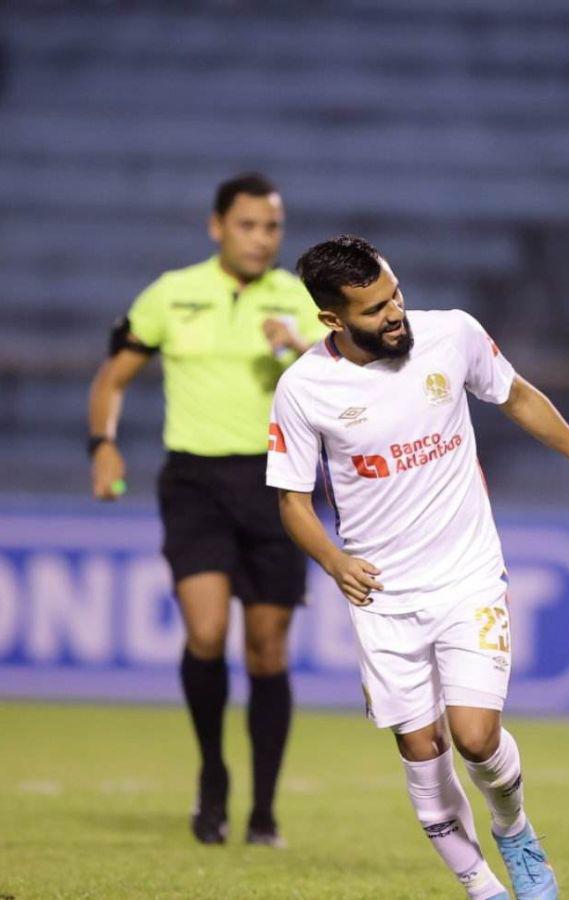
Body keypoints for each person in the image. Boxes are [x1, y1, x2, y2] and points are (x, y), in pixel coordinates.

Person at [271, 235, 569, 900]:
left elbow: (520, 396)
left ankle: (516, 831)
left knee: (476, 739)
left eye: (396, 296)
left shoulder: (452, 335)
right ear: (334, 320)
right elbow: (293, 502)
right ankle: (481, 887)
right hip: (382, 596)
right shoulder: (304, 389)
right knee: (420, 751)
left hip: (466, 575)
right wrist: (332, 560)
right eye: (375, 309)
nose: (396, 315)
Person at [87, 172, 327, 847]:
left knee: (267, 646)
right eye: (248, 225)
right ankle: (213, 776)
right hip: (193, 480)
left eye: (272, 227)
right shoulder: (173, 292)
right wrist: (102, 446)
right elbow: (113, 375)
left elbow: (356, 381)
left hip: (280, 482)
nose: (260, 239)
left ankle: (264, 811)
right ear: (217, 226)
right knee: (205, 630)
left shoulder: (303, 300)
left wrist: (305, 350)